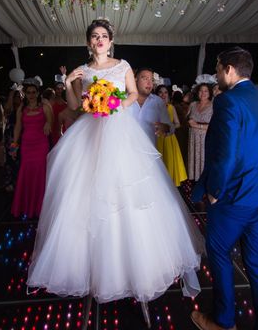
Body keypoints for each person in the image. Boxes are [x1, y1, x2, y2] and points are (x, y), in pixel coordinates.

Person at [27, 19, 203, 304]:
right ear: (88, 42)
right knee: (83, 191)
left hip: (120, 130)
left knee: (128, 191)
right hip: (89, 132)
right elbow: (74, 107)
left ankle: (137, 265)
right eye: (95, 36)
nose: (99, 40)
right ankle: (90, 266)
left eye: (104, 36)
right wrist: (71, 84)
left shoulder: (123, 66)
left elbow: (133, 94)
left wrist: (114, 104)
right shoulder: (83, 71)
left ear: (111, 41)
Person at [190, 47, 258, 330]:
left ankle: (223, 321)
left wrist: (214, 190)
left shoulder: (228, 101)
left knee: (218, 254)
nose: (216, 75)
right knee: (257, 264)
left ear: (229, 69)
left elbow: (226, 153)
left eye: (218, 69)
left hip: (235, 196)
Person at [11, 81, 52, 218]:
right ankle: (27, 205)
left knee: (40, 172)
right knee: (26, 171)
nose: (31, 95)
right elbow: (17, 127)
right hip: (26, 145)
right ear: (25, 94)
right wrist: (14, 146)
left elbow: (50, 122)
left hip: (41, 144)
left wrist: (47, 123)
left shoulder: (45, 107)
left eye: (34, 92)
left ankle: (40, 207)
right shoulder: (21, 109)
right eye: (28, 92)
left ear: (38, 93)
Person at [128, 68, 171, 144]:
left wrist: (166, 127)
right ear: (135, 80)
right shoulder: (124, 100)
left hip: (148, 152)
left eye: (152, 80)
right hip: (125, 152)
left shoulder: (158, 102)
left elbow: (170, 126)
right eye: (145, 79)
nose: (149, 83)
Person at [155, 85, 187, 186]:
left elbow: (177, 123)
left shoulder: (171, 107)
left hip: (169, 139)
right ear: (156, 94)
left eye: (165, 92)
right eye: (160, 92)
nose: (163, 95)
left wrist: (170, 127)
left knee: (168, 164)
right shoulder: (153, 106)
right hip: (157, 138)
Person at [187, 83, 213, 181]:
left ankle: (204, 186)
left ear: (209, 93)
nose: (203, 93)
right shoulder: (192, 105)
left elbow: (215, 126)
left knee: (203, 161)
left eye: (206, 91)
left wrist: (198, 125)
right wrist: (188, 123)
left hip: (205, 139)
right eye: (201, 90)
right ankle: (192, 185)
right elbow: (186, 120)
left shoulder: (213, 106)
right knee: (193, 161)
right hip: (193, 139)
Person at [3, 88, 23, 192]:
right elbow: (7, 108)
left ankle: (19, 182)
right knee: (11, 158)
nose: (18, 98)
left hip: (22, 135)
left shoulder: (24, 108)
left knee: (21, 159)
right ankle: (10, 182)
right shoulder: (10, 109)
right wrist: (12, 93)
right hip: (11, 137)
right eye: (16, 97)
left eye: (20, 96)